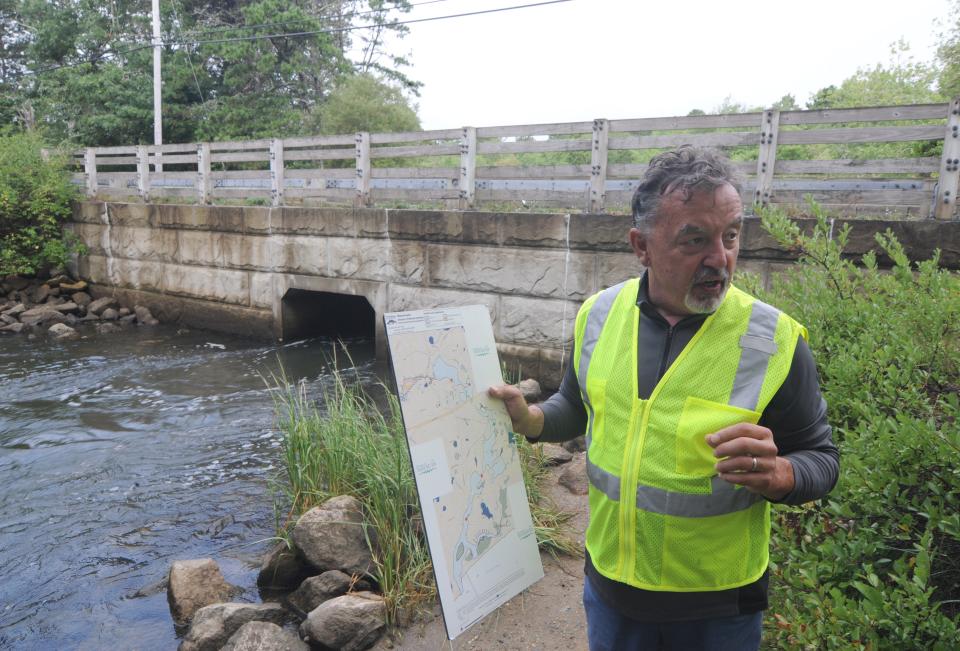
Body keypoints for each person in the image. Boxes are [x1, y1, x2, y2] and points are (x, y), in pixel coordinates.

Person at [489, 145, 839, 651]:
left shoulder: (774, 339)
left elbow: (821, 459)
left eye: (732, 235)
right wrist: (533, 419)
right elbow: (577, 405)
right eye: (694, 240)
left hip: (718, 608)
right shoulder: (598, 314)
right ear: (641, 245)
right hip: (610, 589)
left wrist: (783, 474)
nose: (720, 258)